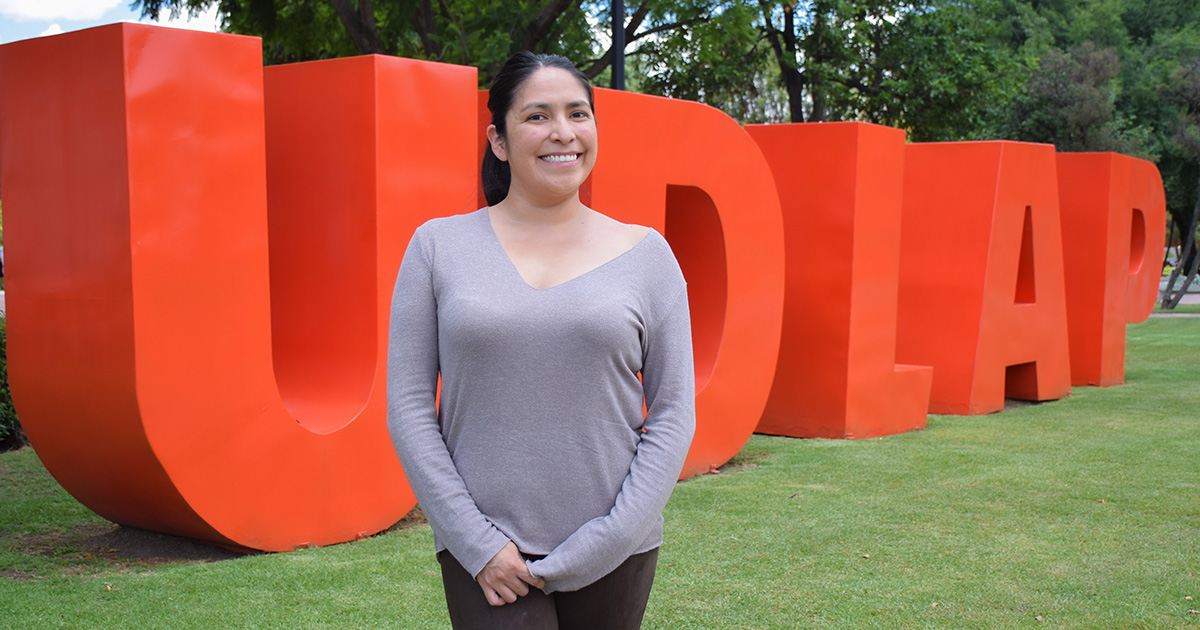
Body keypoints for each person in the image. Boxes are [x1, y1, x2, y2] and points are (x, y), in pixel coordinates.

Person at [386, 51, 696, 630]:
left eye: (578, 113)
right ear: (498, 140)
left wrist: (611, 538)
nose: (563, 132)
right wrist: (474, 542)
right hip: (486, 555)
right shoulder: (437, 248)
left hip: (617, 549)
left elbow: (674, 412)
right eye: (537, 116)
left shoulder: (648, 255)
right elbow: (408, 408)